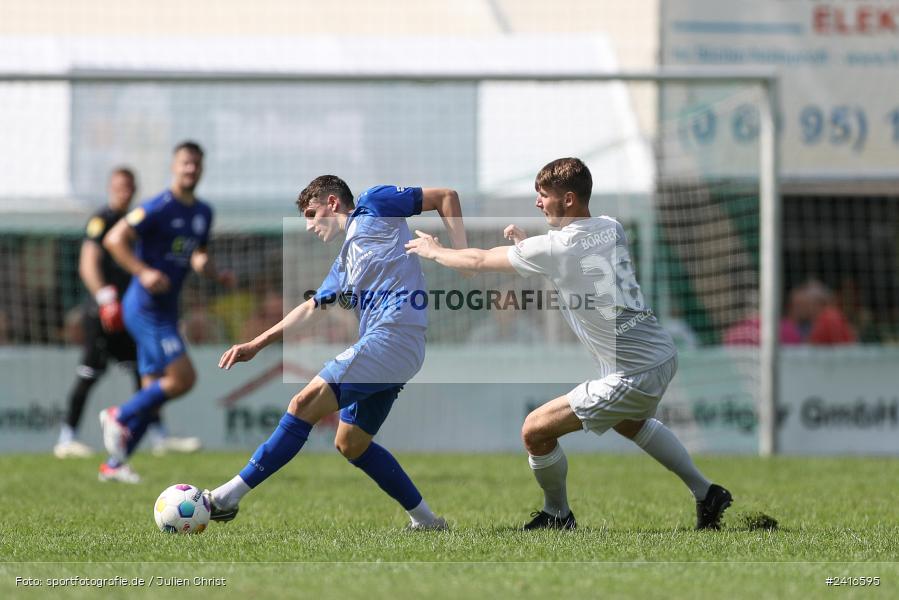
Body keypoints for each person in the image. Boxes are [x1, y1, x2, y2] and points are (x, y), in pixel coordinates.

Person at [406, 158, 732, 530]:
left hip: (633, 373)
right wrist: (530, 248)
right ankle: (707, 493)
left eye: (544, 196)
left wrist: (434, 251)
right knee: (630, 423)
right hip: (658, 353)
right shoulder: (611, 227)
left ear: (570, 199)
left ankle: (557, 514)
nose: (538, 203)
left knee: (535, 430)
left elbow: (479, 259)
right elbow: (576, 265)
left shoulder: (557, 247)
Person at [205, 176, 467, 531]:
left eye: (312, 214)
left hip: (393, 336)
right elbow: (310, 308)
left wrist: (459, 254)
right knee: (351, 443)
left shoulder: (375, 202)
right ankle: (427, 521)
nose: (310, 226)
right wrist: (257, 343)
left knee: (302, 404)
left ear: (332, 202)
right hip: (394, 346)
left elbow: (445, 196)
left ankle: (226, 498)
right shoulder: (344, 263)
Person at [98, 142, 231, 482]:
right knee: (183, 378)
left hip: (167, 308)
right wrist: (142, 272)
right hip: (144, 306)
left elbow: (197, 254)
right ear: (174, 166)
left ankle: (114, 465)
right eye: (185, 163)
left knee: (154, 391)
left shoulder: (204, 212)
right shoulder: (158, 205)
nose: (191, 170)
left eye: (196, 165)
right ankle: (118, 415)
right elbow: (114, 239)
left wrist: (213, 270)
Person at [54, 168, 200, 459]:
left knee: (145, 373)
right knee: (89, 374)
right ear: (111, 187)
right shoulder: (102, 220)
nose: (125, 191)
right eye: (120, 186)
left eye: (130, 186)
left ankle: (159, 436)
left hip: (133, 311)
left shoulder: (136, 221)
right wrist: (105, 298)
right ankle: (67, 438)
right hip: (103, 313)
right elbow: (88, 263)